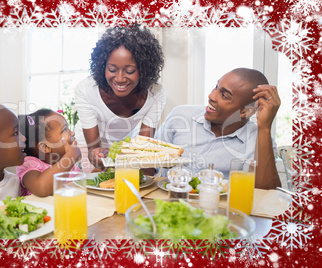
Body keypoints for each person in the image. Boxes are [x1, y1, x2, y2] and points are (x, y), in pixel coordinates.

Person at [156, 68, 281, 189]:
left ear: (246, 112)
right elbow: (148, 164)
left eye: (224, 95)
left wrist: (264, 128)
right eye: (216, 87)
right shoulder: (181, 115)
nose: (211, 96)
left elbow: (265, 192)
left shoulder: (259, 142)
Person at [74, 24, 166, 170]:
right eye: (112, 69)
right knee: (98, 184)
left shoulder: (156, 92)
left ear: (144, 69)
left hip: (127, 147)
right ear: (103, 65)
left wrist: (143, 164)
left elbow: (142, 149)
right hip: (87, 146)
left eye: (129, 71)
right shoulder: (86, 90)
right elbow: (93, 150)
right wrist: (97, 156)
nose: (120, 78)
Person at [16, 109, 81, 197]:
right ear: (45, 147)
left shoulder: (70, 165)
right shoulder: (29, 165)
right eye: (64, 130)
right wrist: (72, 156)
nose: (72, 133)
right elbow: (41, 188)